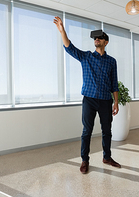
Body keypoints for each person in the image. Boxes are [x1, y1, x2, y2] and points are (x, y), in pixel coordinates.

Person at [53, 16, 121, 174]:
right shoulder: (87, 57)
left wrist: (116, 102)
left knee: (107, 131)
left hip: (105, 100)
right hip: (89, 100)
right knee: (87, 131)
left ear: (106, 41)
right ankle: (84, 160)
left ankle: (107, 157)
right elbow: (70, 48)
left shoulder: (112, 61)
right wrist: (62, 31)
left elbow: (114, 83)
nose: (96, 39)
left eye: (100, 38)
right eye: (95, 38)